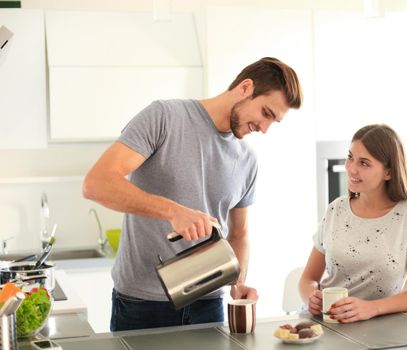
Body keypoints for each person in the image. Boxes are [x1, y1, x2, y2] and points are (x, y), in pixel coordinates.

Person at [82, 57, 302, 331]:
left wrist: (239, 281)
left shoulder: (247, 160)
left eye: (274, 122)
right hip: (142, 305)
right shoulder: (164, 117)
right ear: (245, 88)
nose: (265, 128)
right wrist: (173, 211)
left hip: (208, 305)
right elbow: (96, 183)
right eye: (266, 113)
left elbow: (240, 233)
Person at [299, 124, 407, 323]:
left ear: (388, 172)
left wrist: (372, 308)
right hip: (325, 324)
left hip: (381, 328)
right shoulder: (336, 209)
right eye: (350, 157)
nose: (351, 168)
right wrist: (311, 296)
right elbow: (307, 279)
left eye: (364, 163)